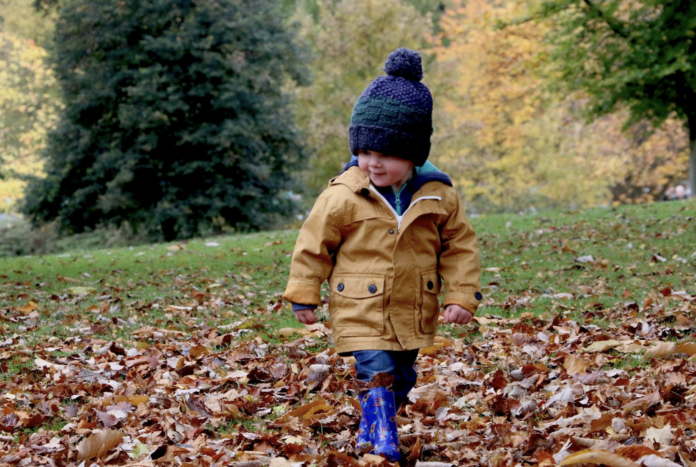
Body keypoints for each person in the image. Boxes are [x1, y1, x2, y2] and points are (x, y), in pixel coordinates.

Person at [282, 48, 482, 462]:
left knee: (403, 376)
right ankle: (385, 440)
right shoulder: (343, 195)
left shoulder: (438, 195)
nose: (373, 162)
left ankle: (370, 428)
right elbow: (313, 241)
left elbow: (459, 247)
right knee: (376, 370)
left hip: (412, 308)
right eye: (366, 151)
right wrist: (304, 290)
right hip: (358, 304)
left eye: (386, 154)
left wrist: (461, 296)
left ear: (413, 154)